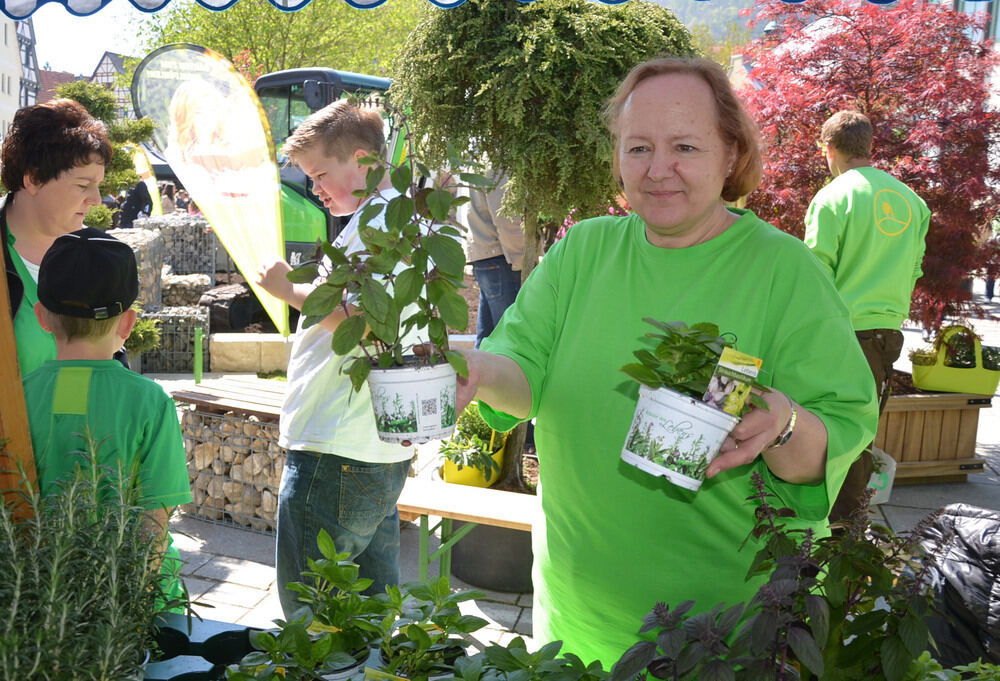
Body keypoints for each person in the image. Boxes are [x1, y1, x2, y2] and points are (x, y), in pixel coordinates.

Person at [455, 57, 878, 664]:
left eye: (684, 146)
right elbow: (523, 368)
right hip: (573, 622)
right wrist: (478, 372)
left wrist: (783, 424)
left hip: (721, 639)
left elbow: (839, 433)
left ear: (731, 153)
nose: (657, 170)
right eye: (638, 148)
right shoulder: (583, 251)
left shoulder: (786, 272)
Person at [255, 99, 413, 616]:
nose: (316, 188)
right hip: (367, 445)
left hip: (335, 447)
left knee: (311, 612)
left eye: (321, 173)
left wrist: (290, 289)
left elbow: (362, 322)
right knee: (368, 610)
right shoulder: (389, 218)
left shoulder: (379, 223)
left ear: (364, 161)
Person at [23, 227, 192, 608]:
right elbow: (154, 524)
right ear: (128, 323)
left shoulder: (18, 397)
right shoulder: (151, 402)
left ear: (42, 318)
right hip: (131, 607)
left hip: (39, 597)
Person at [805, 110, 930, 523]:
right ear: (869, 146)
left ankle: (833, 534)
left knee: (828, 433)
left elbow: (815, 275)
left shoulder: (833, 197)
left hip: (841, 335)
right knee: (859, 433)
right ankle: (847, 533)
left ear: (830, 149)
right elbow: (915, 269)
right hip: (886, 335)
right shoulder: (913, 202)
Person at [1, 98, 113, 377]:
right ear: (34, 179)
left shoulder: (95, 255)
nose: (96, 200)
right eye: (83, 185)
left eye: (98, 186)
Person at [460, 172, 525, 348]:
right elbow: (505, 216)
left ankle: (477, 376)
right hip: (502, 257)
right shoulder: (498, 162)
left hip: (490, 254)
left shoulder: (484, 154)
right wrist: (522, 260)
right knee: (509, 338)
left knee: (487, 338)